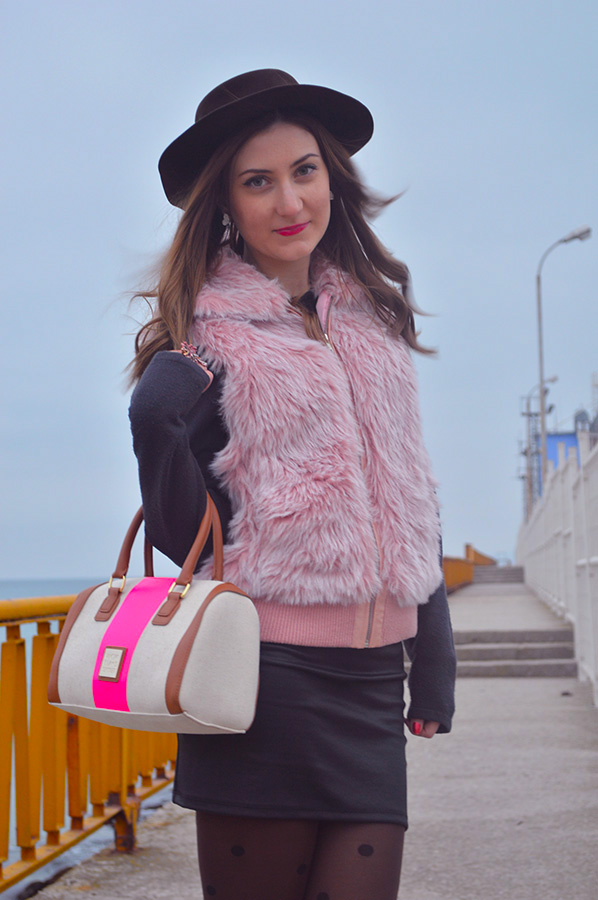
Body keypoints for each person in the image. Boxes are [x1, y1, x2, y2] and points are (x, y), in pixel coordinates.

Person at [128, 69, 456, 900]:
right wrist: (155, 424)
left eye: (304, 170)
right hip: (259, 680)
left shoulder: (375, 322)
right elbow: (184, 540)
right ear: (225, 204)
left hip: (372, 686)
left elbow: (408, 494)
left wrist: (433, 655)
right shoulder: (205, 337)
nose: (289, 200)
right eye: (258, 181)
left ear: (332, 178)